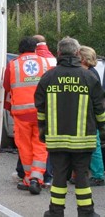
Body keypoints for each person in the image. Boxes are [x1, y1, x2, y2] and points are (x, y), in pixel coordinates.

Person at [35, 37, 105, 217]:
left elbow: (40, 108)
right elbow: (100, 109)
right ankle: (87, 212)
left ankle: (55, 212)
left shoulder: (48, 77)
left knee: (59, 177)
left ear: (59, 53)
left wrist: (43, 132)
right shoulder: (89, 76)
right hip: (84, 141)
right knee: (82, 177)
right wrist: (103, 132)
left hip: (56, 140)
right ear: (77, 53)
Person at [3, 36, 51, 195]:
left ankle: (28, 178)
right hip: (41, 112)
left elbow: (6, 87)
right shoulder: (45, 63)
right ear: (36, 48)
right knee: (40, 145)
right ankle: (37, 179)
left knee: (24, 146)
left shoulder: (13, 65)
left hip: (21, 114)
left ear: (20, 49)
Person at [78, 46, 104, 186]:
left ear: (83, 59)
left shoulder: (90, 74)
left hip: (90, 115)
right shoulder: (91, 72)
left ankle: (98, 175)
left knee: (94, 145)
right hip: (88, 114)